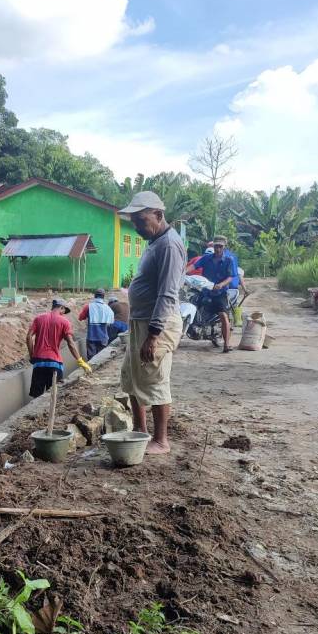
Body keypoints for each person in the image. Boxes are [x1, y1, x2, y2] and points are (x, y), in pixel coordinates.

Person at [118, 191, 186, 455]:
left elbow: (168, 293)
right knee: (133, 375)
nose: (136, 227)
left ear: (158, 215)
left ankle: (161, 440)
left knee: (155, 378)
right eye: (133, 221)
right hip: (141, 322)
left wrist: (153, 335)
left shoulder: (169, 245)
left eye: (141, 220)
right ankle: (140, 431)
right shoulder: (155, 242)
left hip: (156, 325)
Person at [27, 298, 92, 398]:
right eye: (63, 311)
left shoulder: (39, 318)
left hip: (39, 363)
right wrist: (80, 361)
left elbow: (28, 337)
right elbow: (70, 343)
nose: (63, 314)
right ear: (61, 308)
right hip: (55, 364)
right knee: (54, 397)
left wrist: (32, 355)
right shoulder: (64, 322)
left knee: (37, 397)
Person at [186, 235, 239, 352]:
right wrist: (183, 272)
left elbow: (231, 276)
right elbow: (194, 266)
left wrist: (222, 284)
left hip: (220, 293)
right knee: (192, 304)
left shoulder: (229, 260)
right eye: (216, 246)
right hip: (206, 291)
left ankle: (226, 344)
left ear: (224, 247)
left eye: (220, 246)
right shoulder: (207, 258)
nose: (218, 249)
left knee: (223, 316)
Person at [78, 288, 115, 360]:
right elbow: (111, 322)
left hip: (91, 337)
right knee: (101, 359)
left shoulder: (88, 306)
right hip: (103, 338)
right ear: (103, 296)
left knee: (92, 360)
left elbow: (80, 318)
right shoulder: (108, 308)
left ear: (94, 296)